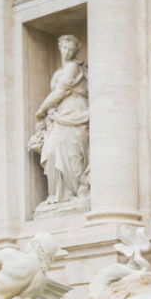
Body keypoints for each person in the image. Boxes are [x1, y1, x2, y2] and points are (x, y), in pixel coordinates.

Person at [28, 33, 90, 205]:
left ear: (75, 51)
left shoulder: (72, 68)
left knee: (73, 152)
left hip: (75, 110)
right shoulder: (58, 72)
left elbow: (61, 91)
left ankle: (75, 191)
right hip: (59, 114)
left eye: (71, 49)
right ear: (59, 48)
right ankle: (58, 194)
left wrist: (41, 110)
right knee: (52, 151)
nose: (67, 52)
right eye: (64, 47)